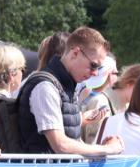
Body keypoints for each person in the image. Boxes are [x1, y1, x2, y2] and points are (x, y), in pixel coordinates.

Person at [15, 26, 124, 157]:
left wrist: (99, 148)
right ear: (75, 53)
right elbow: (61, 145)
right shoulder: (45, 86)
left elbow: (72, 140)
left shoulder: (67, 85)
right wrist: (107, 149)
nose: (95, 73)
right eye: (93, 65)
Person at [76, 55, 118, 143]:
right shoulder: (99, 101)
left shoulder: (84, 95)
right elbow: (93, 138)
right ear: (108, 75)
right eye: (115, 73)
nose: (117, 76)